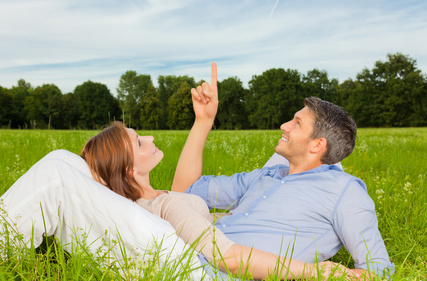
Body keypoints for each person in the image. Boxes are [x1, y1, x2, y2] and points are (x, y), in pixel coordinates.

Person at [0, 63, 356, 279]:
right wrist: (321, 271)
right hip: (190, 266)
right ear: (127, 169)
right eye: (139, 141)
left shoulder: (165, 202)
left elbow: (187, 191)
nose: (150, 136)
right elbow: (228, 256)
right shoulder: (154, 211)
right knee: (59, 166)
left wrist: (204, 120)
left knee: (317, 153)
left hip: (189, 256)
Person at [171, 63, 393, 279]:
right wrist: (203, 121)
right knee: (151, 205)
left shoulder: (344, 191)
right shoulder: (267, 175)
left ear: (317, 145)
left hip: (212, 271)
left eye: (297, 123)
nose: (284, 126)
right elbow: (183, 192)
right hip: (181, 250)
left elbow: (377, 270)